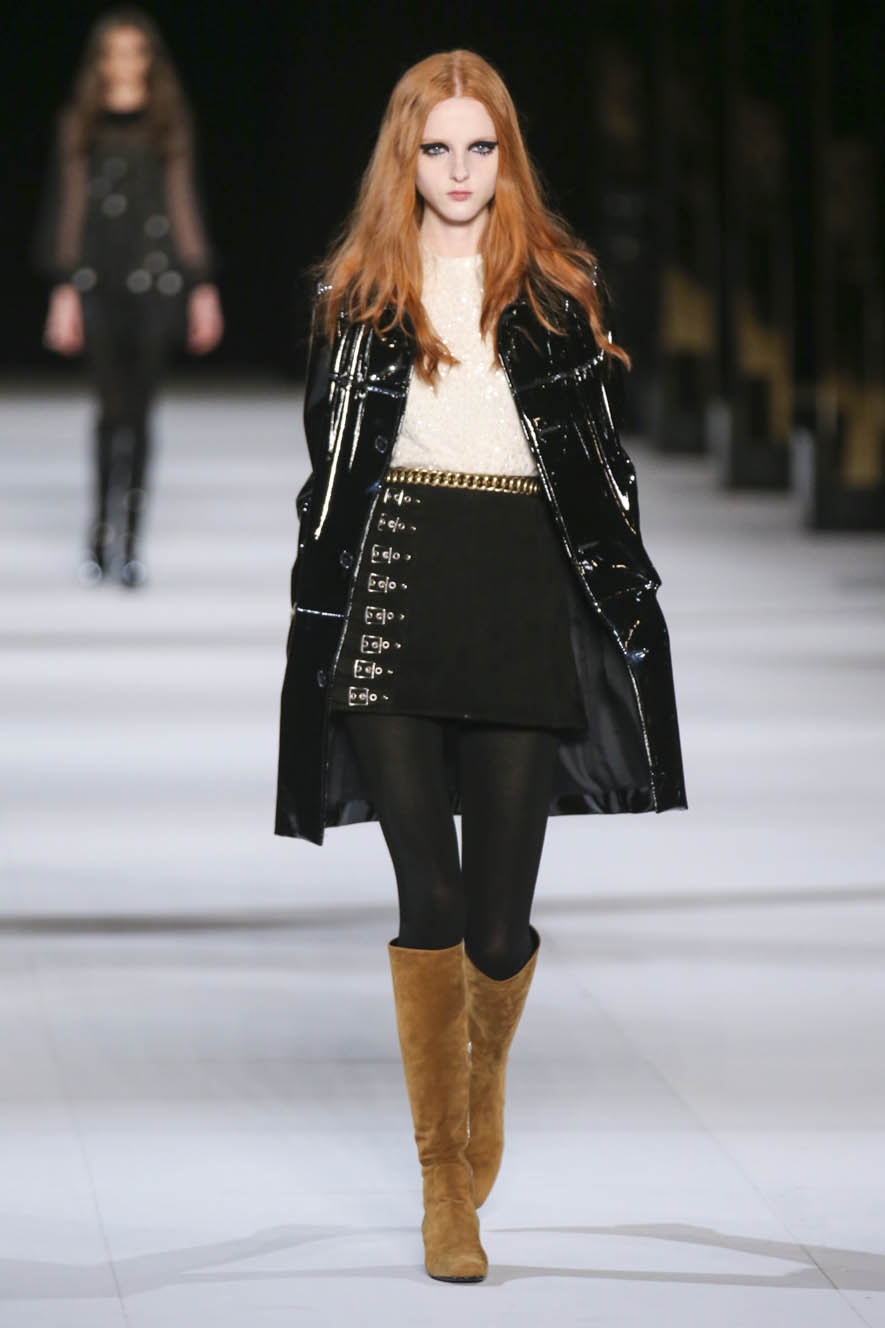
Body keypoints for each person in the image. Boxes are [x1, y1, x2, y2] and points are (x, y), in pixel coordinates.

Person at [275, 50, 686, 1283]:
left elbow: (600, 466)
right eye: (437, 149)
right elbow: (330, 469)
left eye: (480, 147)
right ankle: (444, 1178)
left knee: (500, 927)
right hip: (396, 592)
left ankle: (482, 1071)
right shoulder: (355, 295)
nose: (459, 171)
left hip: (516, 596)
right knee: (435, 902)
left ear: (508, 155)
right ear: (404, 159)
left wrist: (622, 595)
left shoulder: (559, 290)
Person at [38, 6, 223, 588]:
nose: (123, 63)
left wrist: (201, 285)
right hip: (97, 281)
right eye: (113, 52)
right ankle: (98, 533)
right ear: (99, 61)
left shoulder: (168, 119)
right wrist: (64, 287)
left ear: (149, 59)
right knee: (108, 411)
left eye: (134, 51)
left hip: (156, 282)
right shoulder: (81, 120)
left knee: (140, 413)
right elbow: (69, 206)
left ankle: (132, 541)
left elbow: (182, 202)